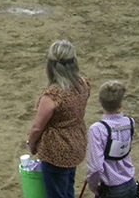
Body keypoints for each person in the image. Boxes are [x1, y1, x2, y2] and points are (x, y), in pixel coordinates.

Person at [27, 40, 91, 198]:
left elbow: (37, 127)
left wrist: (32, 143)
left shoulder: (52, 96)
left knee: (56, 193)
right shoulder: (83, 84)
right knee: (68, 188)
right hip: (76, 144)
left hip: (56, 151)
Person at [85, 81, 139, 198]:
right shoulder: (129, 122)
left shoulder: (97, 129)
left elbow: (96, 166)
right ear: (121, 105)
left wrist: (93, 185)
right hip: (130, 183)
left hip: (112, 190)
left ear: (99, 101)